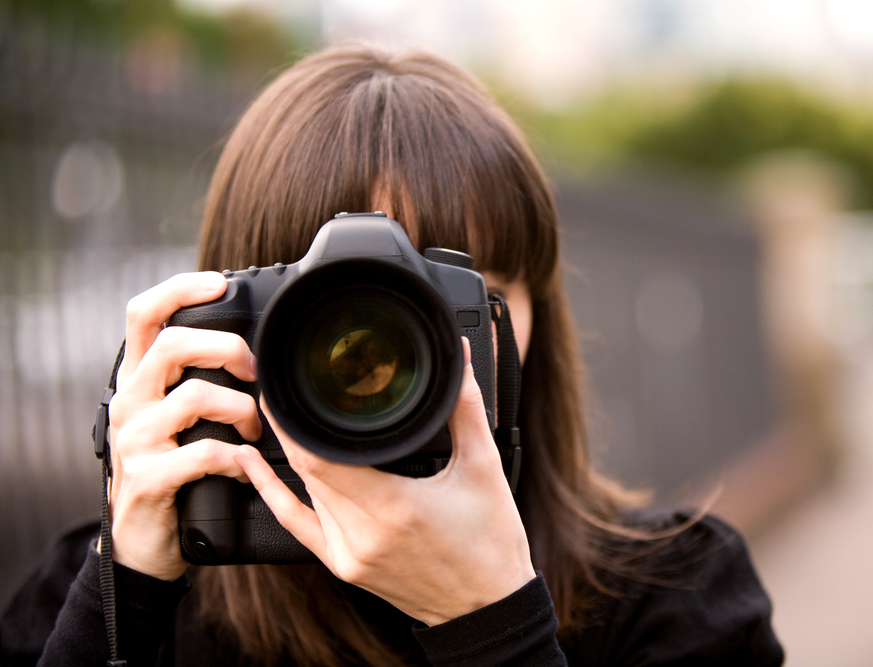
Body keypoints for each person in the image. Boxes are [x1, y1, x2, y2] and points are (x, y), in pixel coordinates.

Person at [0, 44, 784, 667]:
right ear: (229, 324)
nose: (379, 360)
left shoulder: (677, 593)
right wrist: (121, 597)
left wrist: (492, 625)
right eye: (335, 315)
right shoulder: (119, 590)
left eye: (449, 297)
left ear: (535, 315)